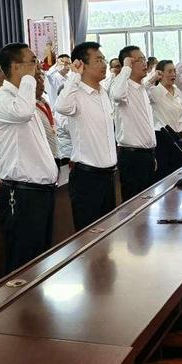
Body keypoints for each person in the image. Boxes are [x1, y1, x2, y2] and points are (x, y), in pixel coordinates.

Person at [0, 43, 59, 273]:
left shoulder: (24, 98)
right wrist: (27, 79)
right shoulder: (1, 100)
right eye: (32, 61)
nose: (38, 67)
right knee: (24, 263)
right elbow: (22, 112)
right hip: (22, 194)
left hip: (41, 192)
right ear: (16, 67)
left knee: (41, 261)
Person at [55, 41, 118, 230]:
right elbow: (61, 107)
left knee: (108, 234)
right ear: (82, 64)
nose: (104, 64)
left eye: (103, 59)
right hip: (87, 178)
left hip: (108, 176)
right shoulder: (75, 93)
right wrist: (74, 75)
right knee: (89, 235)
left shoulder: (103, 92)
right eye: (98, 60)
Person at [110, 45, 157, 201]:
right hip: (132, 157)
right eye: (140, 60)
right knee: (134, 204)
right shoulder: (122, 86)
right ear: (128, 63)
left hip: (147, 155)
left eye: (145, 59)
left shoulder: (142, 88)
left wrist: (151, 153)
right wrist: (125, 68)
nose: (145, 63)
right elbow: (117, 95)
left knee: (148, 203)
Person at [149, 59, 182, 180]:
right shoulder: (154, 92)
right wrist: (153, 78)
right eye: (169, 71)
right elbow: (140, 91)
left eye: (174, 71)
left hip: (178, 137)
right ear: (161, 74)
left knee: (177, 174)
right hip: (162, 139)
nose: (173, 74)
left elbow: (181, 119)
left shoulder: (178, 91)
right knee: (163, 175)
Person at [34, 69, 59, 158]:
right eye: (38, 82)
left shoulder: (45, 102)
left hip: (55, 152)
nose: (42, 84)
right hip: (43, 155)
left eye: (42, 80)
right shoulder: (30, 108)